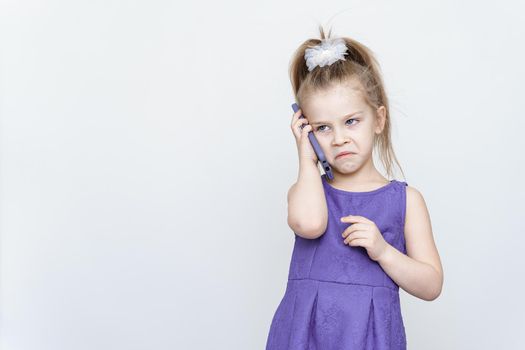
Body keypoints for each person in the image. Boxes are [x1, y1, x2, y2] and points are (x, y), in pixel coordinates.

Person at [265, 25, 444, 350]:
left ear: (378, 120)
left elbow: (431, 285)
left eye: (351, 121)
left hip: (370, 338)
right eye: (322, 127)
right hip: (305, 338)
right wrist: (307, 159)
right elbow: (310, 224)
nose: (339, 138)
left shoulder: (406, 200)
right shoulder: (307, 192)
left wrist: (384, 252)